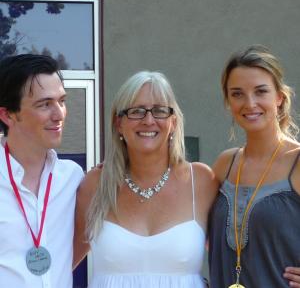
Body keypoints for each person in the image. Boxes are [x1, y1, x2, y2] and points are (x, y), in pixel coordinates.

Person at [73, 71, 218, 287]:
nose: (148, 120)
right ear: (118, 123)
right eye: (136, 111)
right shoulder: (95, 184)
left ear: (173, 122)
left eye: (159, 111)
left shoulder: (201, 181)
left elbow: (236, 255)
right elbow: (59, 265)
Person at [209, 45, 300, 288]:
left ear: (279, 97)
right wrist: (120, 168)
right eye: (237, 93)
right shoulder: (224, 164)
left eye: (261, 91)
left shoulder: (297, 162)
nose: (250, 103)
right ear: (228, 100)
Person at [0, 54, 84, 287]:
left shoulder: (73, 178)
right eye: (45, 104)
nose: (59, 115)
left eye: (62, 101)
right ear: (7, 114)